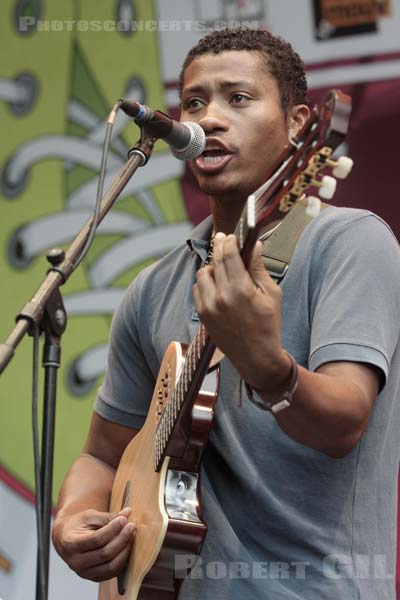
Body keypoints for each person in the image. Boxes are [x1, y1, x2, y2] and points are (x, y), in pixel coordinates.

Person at [52, 28, 400, 599]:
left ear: (297, 125)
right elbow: (101, 453)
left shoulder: (351, 244)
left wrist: (269, 367)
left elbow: (342, 423)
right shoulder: (152, 288)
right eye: (194, 102)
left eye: (238, 98)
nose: (209, 118)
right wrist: (74, 518)